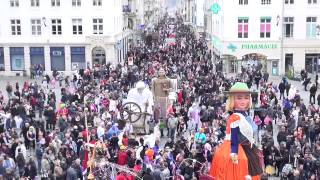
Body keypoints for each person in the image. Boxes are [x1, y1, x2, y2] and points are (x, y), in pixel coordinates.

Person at [209, 82, 263, 179]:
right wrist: (234, 152)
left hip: (248, 149)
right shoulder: (235, 117)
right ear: (232, 100)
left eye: (246, 98)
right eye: (239, 98)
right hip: (237, 150)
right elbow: (233, 136)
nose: (243, 101)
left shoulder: (247, 115)